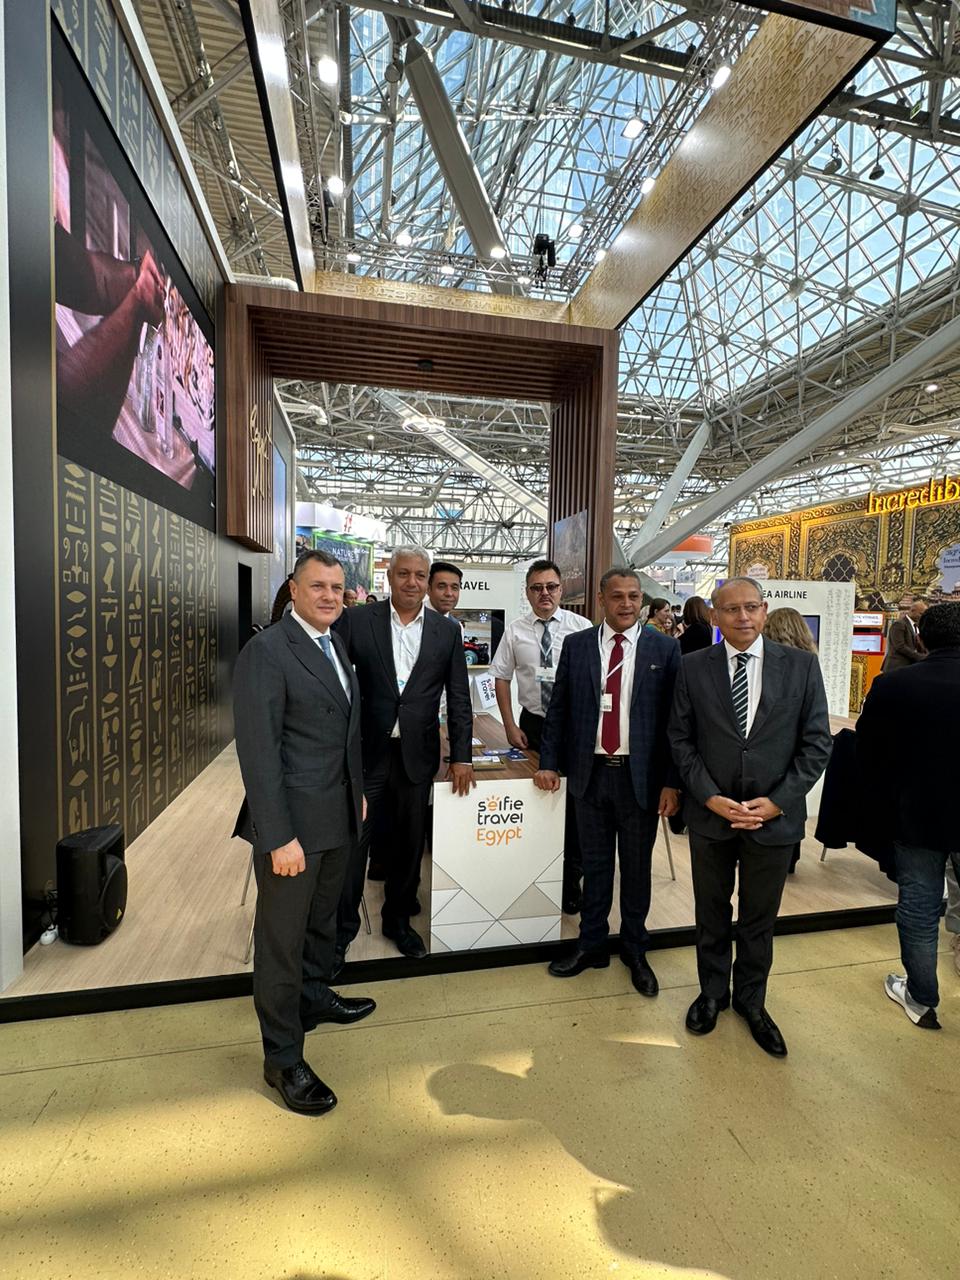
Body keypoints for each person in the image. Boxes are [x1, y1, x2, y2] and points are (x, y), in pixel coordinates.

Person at [232, 550, 376, 1116]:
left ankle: (313, 999)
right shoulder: (268, 651)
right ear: (293, 589)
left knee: (321, 924)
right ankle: (283, 1057)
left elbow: (344, 734)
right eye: (318, 586)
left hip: (337, 818)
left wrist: (356, 791)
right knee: (280, 944)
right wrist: (277, 837)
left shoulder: (334, 645)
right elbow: (259, 753)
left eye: (338, 588)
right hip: (292, 830)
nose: (329, 596)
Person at [669, 576, 831, 1057]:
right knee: (711, 912)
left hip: (773, 819)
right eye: (731, 609)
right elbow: (680, 739)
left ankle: (752, 1002)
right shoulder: (692, 667)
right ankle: (712, 993)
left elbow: (816, 744)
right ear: (715, 615)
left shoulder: (800, 666)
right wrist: (709, 796)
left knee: (759, 918)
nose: (742, 617)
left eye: (751, 607)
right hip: (712, 816)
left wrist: (778, 801)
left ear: (764, 611)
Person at [535, 568, 681, 995]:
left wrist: (671, 782)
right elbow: (559, 709)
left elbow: (677, 722)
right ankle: (592, 944)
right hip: (590, 774)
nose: (626, 604)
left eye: (634, 596)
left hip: (640, 778)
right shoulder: (577, 645)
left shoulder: (664, 649)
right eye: (617, 596)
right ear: (601, 599)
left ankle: (635, 948)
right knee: (595, 867)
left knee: (636, 870)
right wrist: (549, 762)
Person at [335, 546, 475, 964]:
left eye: (419, 575)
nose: (412, 582)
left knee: (409, 845)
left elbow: (459, 697)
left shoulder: (446, 631)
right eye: (403, 574)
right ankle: (340, 933)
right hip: (367, 753)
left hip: (417, 755)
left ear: (427, 581)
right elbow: (333, 684)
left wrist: (462, 757)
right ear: (390, 577)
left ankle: (397, 921)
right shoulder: (357, 621)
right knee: (354, 845)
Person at [856, 602, 960, 1030]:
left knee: (919, 909)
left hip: (917, 815)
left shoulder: (894, 685)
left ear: (921, 637)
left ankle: (921, 997)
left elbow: (868, 751)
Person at [490, 558, 593, 912]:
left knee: (575, 806)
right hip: (533, 724)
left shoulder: (582, 628)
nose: (544, 593)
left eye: (551, 587)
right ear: (527, 592)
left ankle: (571, 880)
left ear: (561, 590)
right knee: (537, 800)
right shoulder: (515, 631)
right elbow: (501, 677)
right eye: (537, 588)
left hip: (575, 727)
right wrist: (509, 725)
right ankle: (536, 872)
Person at [882, 595, 927, 672]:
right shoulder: (899, 624)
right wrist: (920, 657)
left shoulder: (916, 626)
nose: (922, 617)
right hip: (896, 667)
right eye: (921, 614)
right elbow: (900, 646)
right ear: (912, 610)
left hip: (908, 668)